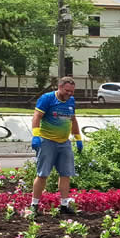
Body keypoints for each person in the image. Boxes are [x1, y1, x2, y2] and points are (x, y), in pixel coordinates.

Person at [30, 76, 84, 216]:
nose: (69, 94)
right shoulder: (47, 98)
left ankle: (64, 205)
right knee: (43, 174)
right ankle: (34, 205)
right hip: (47, 141)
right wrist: (36, 135)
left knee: (66, 174)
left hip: (64, 143)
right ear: (59, 87)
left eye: (72, 91)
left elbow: (73, 120)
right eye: (67, 90)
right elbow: (36, 116)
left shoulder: (71, 101)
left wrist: (78, 138)